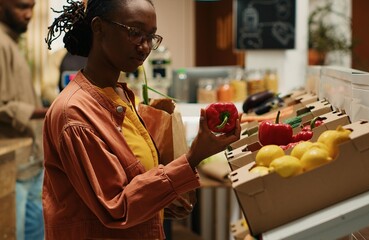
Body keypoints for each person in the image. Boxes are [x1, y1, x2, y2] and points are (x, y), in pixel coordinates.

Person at [43, 0, 241, 239]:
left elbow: (131, 184)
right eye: (134, 32)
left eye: (151, 36)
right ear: (99, 28)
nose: (145, 46)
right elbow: (117, 208)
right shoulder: (74, 113)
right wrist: (193, 157)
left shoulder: (120, 95)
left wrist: (168, 196)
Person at [0, 0, 47, 239]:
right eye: (21, 7)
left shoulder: (10, 42)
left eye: (32, 7)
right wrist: (50, 111)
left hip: (30, 165)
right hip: (11, 170)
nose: (28, 14)